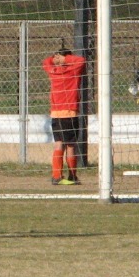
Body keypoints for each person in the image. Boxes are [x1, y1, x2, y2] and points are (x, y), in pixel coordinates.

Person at [43, 45, 87, 185]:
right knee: (70, 145)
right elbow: (81, 60)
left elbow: (45, 62)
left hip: (55, 113)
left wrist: (54, 59)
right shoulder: (73, 69)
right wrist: (65, 59)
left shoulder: (53, 71)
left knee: (58, 143)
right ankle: (72, 176)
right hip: (69, 112)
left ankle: (56, 175)